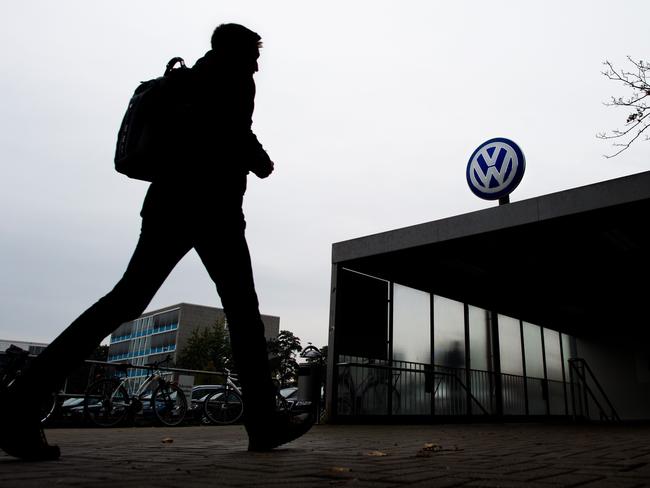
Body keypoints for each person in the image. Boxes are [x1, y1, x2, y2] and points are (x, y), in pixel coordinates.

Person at [0, 23, 312, 460]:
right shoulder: (234, 77)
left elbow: (218, 128)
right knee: (242, 311)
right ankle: (264, 424)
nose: (258, 64)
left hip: (168, 202)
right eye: (255, 55)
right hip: (212, 206)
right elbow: (231, 131)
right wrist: (261, 162)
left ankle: (20, 403)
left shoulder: (189, 80)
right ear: (241, 53)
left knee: (125, 300)